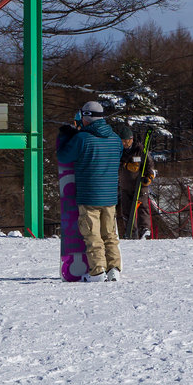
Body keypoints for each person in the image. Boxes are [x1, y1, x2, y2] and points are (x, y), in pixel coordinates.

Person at [58, 100, 125, 282]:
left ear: (87, 116)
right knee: (110, 234)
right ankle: (114, 269)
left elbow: (63, 156)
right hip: (110, 196)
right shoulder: (116, 139)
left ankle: (97, 271)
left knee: (92, 235)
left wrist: (68, 136)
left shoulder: (82, 139)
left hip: (88, 195)